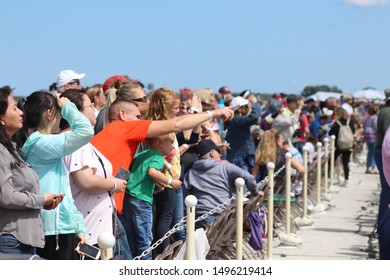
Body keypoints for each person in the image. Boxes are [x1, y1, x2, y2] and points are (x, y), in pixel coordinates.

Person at [90, 98, 235, 218]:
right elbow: (177, 125)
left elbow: (120, 166)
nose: (140, 120)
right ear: (122, 114)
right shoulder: (124, 128)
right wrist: (215, 113)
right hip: (103, 207)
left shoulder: (110, 133)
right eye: (137, 117)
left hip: (103, 203)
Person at [19, 90, 94, 260]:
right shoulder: (40, 143)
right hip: (51, 230)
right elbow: (85, 131)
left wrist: (78, 227)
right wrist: (67, 106)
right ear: (49, 112)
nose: (61, 117)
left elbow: (63, 190)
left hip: (61, 228)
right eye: (59, 112)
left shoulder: (44, 143)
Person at [59, 89, 130, 259]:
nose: (94, 109)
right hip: (89, 233)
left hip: (97, 232)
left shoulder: (78, 141)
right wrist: (114, 184)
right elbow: (85, 181)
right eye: (90, 106)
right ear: (76, 112)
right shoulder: (73, 141)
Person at [0, 88, 63, 256]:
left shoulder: (12, 149)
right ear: (1, 119)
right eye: (14, 108)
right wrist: (41, 200)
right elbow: (7, 197)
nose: (21, 112)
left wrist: (43, 202)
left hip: (25, 240)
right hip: (11, 241)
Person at [121, 133, 182, 259]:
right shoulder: (157, 157)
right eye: (170, 142)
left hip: (128, 197)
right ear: (160, 143)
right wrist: (170, 181)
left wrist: (169, 166)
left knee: (131, 237)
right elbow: (152, 172)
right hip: (142, 200)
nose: (173, 147)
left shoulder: (143, 154)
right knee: (145, 240)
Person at [184, 139, 260, 228]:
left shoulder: (190, 172)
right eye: (218, 151)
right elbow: (248, 177)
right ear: (212, 153)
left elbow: (187, 194)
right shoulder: (225, 167)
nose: (220, 154)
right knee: (251, 222)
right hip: (221, 220)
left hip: (198, 220)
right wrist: (255, 193)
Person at [225, 95, 261, 173]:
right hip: (240, 159)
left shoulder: (236, 120)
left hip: (240, 157)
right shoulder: (236, 120)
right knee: (242, 183)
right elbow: (254, 117)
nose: (249, 108)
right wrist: (255, 104)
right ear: (240, 109)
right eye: (247, 106)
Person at [329, 107, 355, 187]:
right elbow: (353, 131)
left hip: (339, 146)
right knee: (345, 162)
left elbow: (331, 133)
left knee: (331, 160)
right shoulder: (350, 122)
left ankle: (328, 176)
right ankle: (346, 179)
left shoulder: (337, 123)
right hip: (349, 145)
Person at [376, 88, 390, 228]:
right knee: (387, 191)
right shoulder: (387, 112)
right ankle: (383, 224)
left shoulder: (384, 110)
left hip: (382, 150)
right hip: (384, 152)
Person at [363, 104, 378, 174]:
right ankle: (371, 167)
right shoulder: (375, 118)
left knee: (370, 153)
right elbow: (376, 128)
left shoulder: (368, 118)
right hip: (373, 137)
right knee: (373, 153)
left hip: (367, 137)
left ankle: (368, 166)